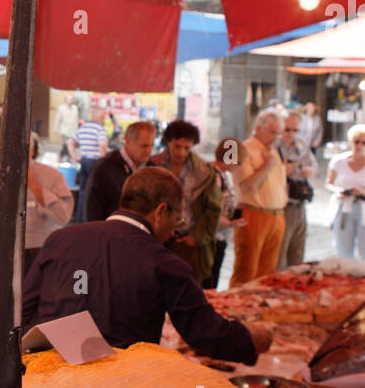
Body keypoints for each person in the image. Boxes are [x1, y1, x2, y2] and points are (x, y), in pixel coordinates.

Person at [23, 168, 268, 363]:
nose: (175, 229)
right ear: (161, 211)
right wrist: (251, 339)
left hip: (46, 377)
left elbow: (23, 310)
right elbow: (205, 334)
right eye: (177, 218)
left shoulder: (60, 238)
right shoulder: (165, 263)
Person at [0, 133, 73, 286]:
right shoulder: (0, 178)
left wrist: (36, 188)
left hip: (42, 255)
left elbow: (64, 216)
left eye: (23, 147)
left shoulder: (53, 176)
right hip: (5, 255)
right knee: (6, 307)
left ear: (32, 149)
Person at [149, 120, 220, 283]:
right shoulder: (153, 165)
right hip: (156, 238)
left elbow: (214, 208)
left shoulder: (203, 172)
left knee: (186, 288)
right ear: (168, 143)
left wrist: (196, 236)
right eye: (177, 146)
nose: (181, 152)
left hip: (187, 242)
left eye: (186, 148)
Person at [229, 109, 288, 287]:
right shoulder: (243, 149)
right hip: (253, 214)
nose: (276, 137)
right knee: (246, 271)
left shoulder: (273, 150)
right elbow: (247, 185)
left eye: (278, 133)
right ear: (258, 128)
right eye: (272, 132)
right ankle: (235, 310)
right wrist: (267, 166)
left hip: (276, 215)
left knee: (267, 273)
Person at [83, 120, 156, 222]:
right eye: (144, 146)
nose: (149, 150)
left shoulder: (152, 169)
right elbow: (92, 209)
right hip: (109, 232)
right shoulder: (104, 167)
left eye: (151, 145)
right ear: (128, 141)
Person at [277, 111, 317, 269]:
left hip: (300, 202)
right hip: (282, 204)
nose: (291, 134)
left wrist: (309, 171)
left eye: (295, 130)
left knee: (297, 253)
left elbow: (314, 166)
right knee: (280, 254)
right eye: (287, 129)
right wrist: (284, 170)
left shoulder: (300, 143)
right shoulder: (273, 145)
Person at [205, 138, 246, 289]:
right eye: (239, 161)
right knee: (209, 282)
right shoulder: (215, 176)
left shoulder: (221, 174)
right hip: (212, 238)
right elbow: (210, 210)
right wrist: (230, 223)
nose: (239, 165)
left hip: (217, 236)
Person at [327, 124, 365, 260]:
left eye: (363, 142)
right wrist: (339, 191)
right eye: (356, 141)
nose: (359, 145)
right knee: (342, 247)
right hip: (344, 207)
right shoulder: (338, 161)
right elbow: (329, 183)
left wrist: (362, 191)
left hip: (363, 208)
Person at [69, 107, 108, 221]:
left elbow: (71, 141)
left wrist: (74, 157)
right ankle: (91, 219)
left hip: (84, 161)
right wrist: (103, 159)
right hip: (94, 163)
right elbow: (103, 145)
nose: (104, 119)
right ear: (100, 117)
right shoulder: (100, 129)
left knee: (82, 192)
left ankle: (80, 219)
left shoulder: (84, 127)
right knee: (94, 193)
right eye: (104, 117)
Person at [53, 93, 80, 160]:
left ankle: (65, 157)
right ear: (66, 101)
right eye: (69, 100)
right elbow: (58, 119)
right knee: (66, 144)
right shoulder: (61, 108)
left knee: (70, 145)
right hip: (65, 130)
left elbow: (77, 119)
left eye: (71, 100)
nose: (70, 101)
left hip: (73, 130)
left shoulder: (75, 107)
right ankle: (65, 157)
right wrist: (56, 129)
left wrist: (78, 130)